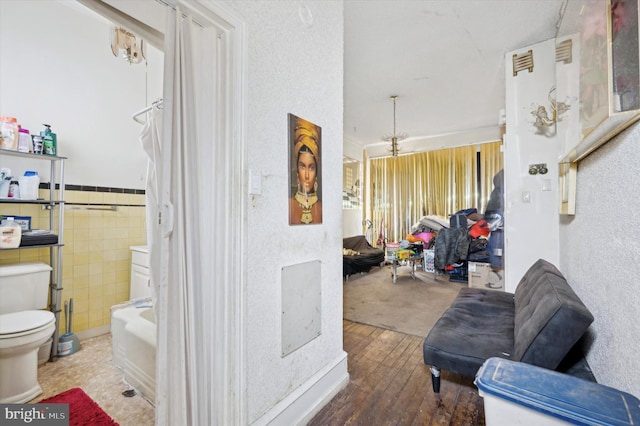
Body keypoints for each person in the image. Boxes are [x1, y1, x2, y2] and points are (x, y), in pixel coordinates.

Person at [289, 116, 323, 224]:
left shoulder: (322, 208)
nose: (307, 175)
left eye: (311, 167)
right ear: (298, 170)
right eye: (303, 166)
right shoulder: (289, 205)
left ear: (317, 172)